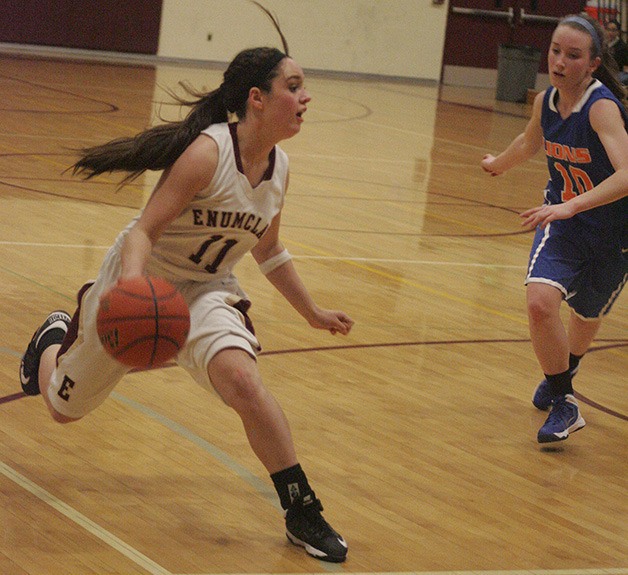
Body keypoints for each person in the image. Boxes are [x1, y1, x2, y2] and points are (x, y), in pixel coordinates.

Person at [18, 11, 354, 563]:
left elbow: (268, 251)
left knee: (243, 382)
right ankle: (53, 339)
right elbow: (143, 231)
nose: (305, 98)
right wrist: (130, 294)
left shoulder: (280, 169)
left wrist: (312, 312)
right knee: (61, 409)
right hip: (139, 281)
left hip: (206, 291)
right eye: (294, 87)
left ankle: (301, 508)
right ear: (258, 99)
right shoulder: (207, 153)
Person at [481, 14, 628, 444]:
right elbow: (531, 142)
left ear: (594, 64)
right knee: (541, 304)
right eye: (555, 51)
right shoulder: (545, 101)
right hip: (563, 223)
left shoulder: (600, 107)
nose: (560, 62)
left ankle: (566, 371)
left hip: (613, 232)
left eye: (573, 55)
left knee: (584, 317)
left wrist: (575, 205)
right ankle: (565, 401)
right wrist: (498, 165)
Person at [605, 18, 628, 85]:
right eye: (608, 29)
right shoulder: (603, 44)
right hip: (604, 72)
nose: (610, 32)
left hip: (617, 73)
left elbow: (625, 66)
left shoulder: (622, 46)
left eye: (613, 30)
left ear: (618, 32)